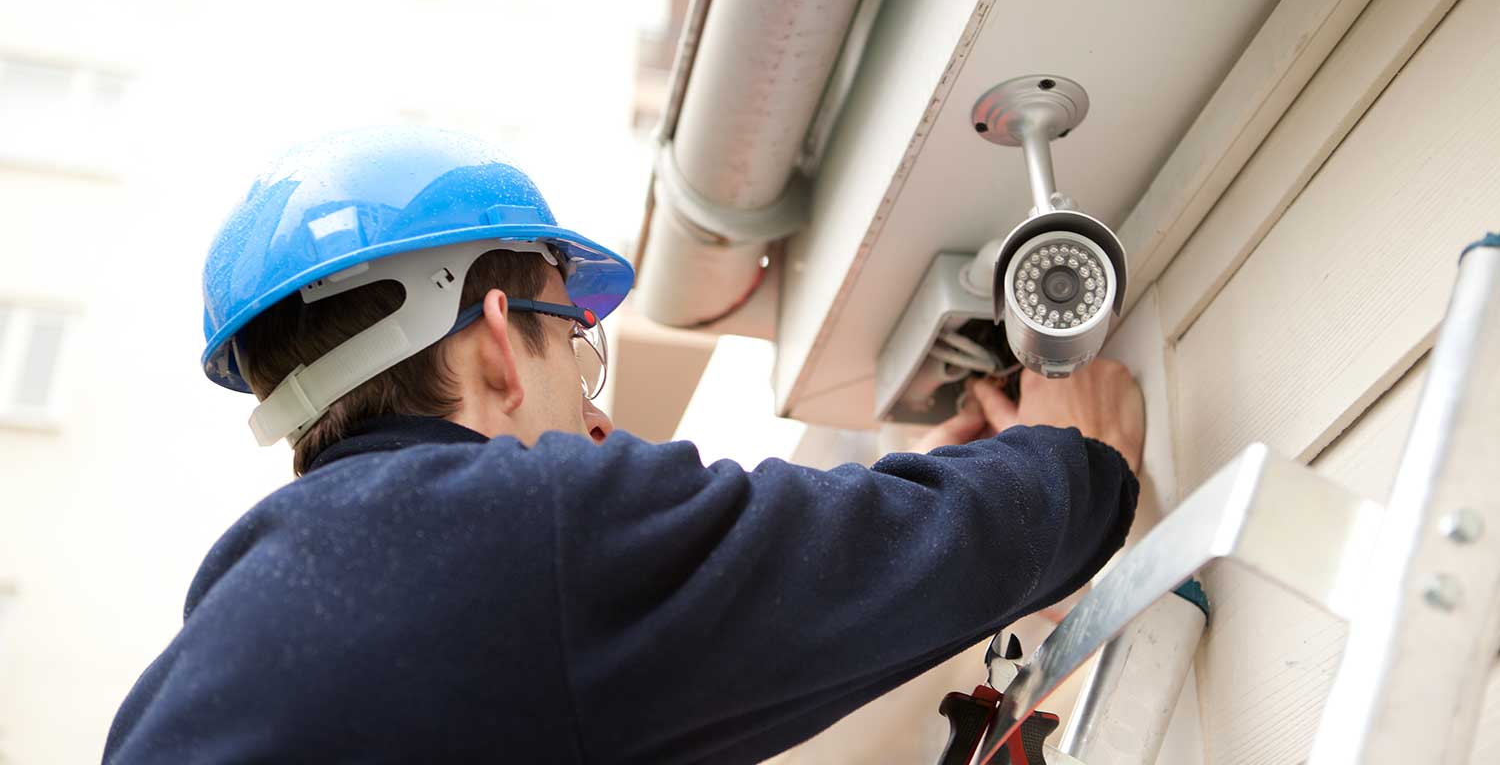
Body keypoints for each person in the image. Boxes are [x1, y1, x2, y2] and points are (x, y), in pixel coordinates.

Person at [104, 127, 1143, 764]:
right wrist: (1069, 461)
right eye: (577, 351)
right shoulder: (516, 525)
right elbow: (907, 545)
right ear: (503, 342)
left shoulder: (216, 643)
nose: (600, 421)